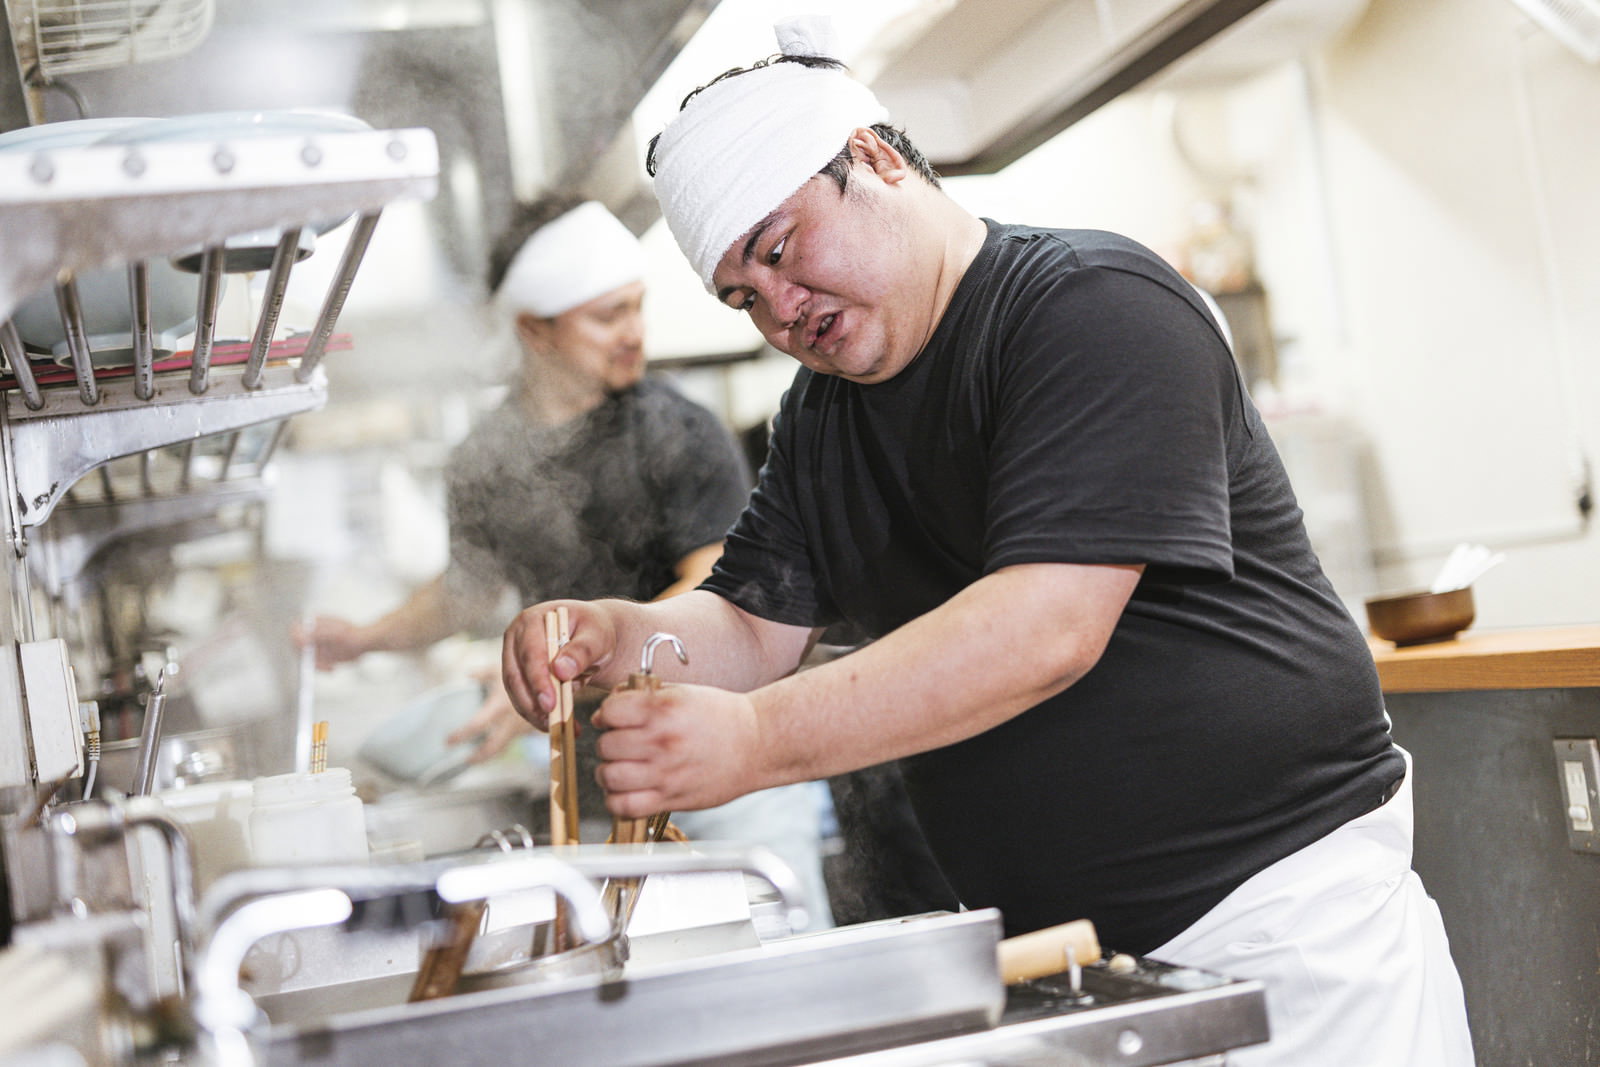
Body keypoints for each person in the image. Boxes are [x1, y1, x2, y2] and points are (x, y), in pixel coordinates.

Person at [500, 18, 1471, 1067]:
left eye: (780, 251)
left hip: (1283, 938)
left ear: (871, 157)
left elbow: (1043, 627)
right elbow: (745, 619)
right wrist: (615, 634)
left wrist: (756, 742)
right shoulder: (825, 416)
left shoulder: (1089, 309)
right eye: (743, 296)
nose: (778, 309)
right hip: (1070, 965)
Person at [295, 198, 833, 928]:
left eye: (636, 309)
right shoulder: (484, 458)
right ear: (533, 327)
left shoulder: (677, 432)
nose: (634, 334)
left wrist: (572, 667)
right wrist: (367, 637)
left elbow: (722, 585)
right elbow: (467, 587)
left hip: (729, 782)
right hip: (602, 782)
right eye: (607, 316)